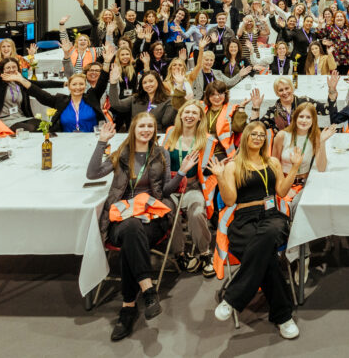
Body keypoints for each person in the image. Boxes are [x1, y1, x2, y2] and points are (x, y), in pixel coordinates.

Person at [89, 114, 184, 341]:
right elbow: (92, 174)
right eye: (142, 125)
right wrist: (101, 142)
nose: (146, 129)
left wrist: (180, 174)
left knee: (132, 239)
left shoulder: (161, 153)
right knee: (132, 228)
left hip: (152, 217)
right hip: (123, 217)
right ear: (134, 128)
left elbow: (165, 191)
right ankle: (148, 290)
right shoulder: (122, 153)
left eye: (150, 126)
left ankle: (128, 308)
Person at [210, 121, 301, 339]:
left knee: (270, 234)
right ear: (246, 137)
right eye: (254, 134)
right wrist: (221, 177)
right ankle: (284, 317)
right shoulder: (233, 166)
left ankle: (232, 298)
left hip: (271, 215)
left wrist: (295, 166)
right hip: (243, 218)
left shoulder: (273, 163)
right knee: (267, 257)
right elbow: (230, 199)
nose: (258, 138)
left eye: (262, 135)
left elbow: (281, 190)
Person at [163, 101, 210, 275]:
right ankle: (180, 253)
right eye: (186, 112)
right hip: (171, 186)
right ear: (181, 115)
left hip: (192, 187)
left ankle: (205, 253)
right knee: (169, 212)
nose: (189, 116)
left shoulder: (207, 139)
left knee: (197, 212)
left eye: (194, 113)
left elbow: (209, 166)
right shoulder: (170, 134)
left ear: (199, 118)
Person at [271, 102, 335, 216]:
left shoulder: (314, 136)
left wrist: (322, 142)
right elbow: (273, 165)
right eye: (301, 116)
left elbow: (321, 168)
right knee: (283, 207)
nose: (304, 121)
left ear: (313, 120)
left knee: (304, 205)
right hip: (283, 182)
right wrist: (285, 186)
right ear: (295, 118)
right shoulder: (282, 136)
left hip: (304, 184)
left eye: (308, 117)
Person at [249, 77, 332, 131]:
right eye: (281, 90)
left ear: (292, 88)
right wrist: (256, 107)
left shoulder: (305, 102)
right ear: (277, 93)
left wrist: (332, 91)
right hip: (282, 149)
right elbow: (255, 129)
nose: (285, 92)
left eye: (287, 88)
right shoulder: (273, 111)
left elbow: (327, 110)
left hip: (306, 145)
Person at [108, 69, 177, 129]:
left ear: (158, 82)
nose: (148, 85)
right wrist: (113, 83)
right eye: (144, 83)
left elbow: (166, 122)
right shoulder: (135, 98)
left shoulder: (169, 100)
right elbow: (116, 104)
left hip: (158, 136)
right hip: (136, 136)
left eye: (151, 81)